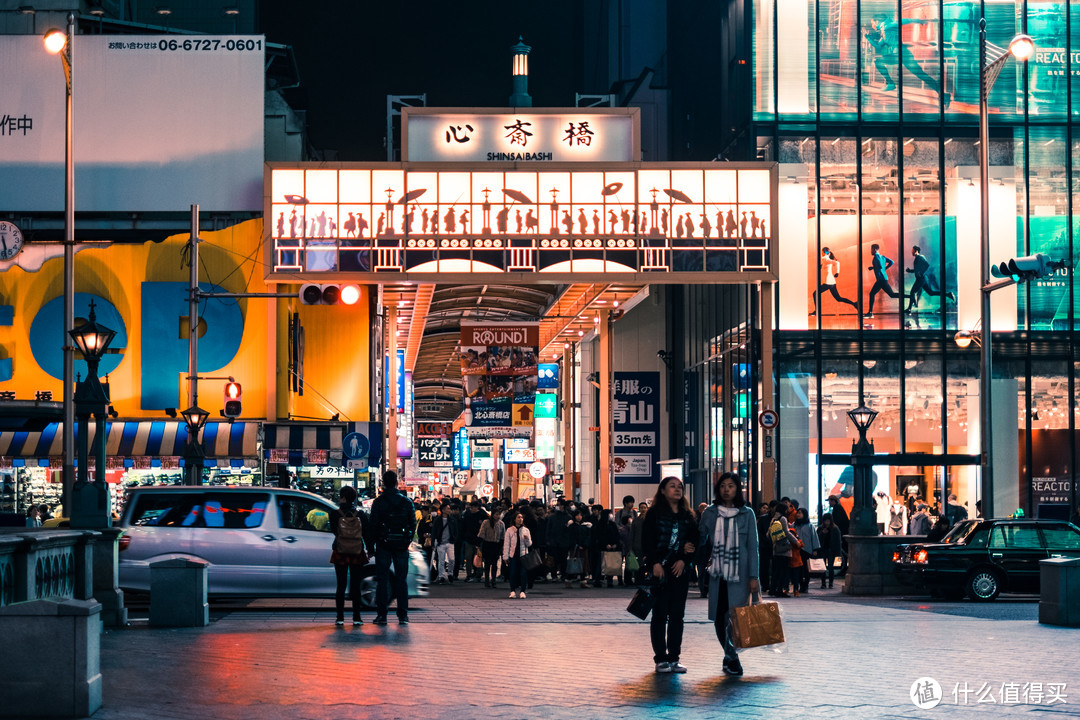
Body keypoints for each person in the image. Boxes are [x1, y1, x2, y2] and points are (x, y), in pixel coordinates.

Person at [697, 472, 759, 677]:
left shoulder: (747, 513)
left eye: (731, 486)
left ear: (737, 489)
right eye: (723, 485)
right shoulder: (710, 513)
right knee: (718, 617)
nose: (726, 489)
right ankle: (731, 656)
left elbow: (752, 547)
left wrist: (754, 576)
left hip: (740, 575)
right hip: (718, 574)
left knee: (735, 617)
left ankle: (731, 657)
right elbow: (700, 538)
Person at [641, 476, 697, 674]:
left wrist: (684, 560)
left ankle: (674, 658)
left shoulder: (688, 516)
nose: (677, 489)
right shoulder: (654, 514)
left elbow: (693, 543)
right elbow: (647, 541)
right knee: (659, 614)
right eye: (672, 486)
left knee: (677, 616)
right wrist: (654, 563)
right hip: (660, 570)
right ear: (662, 491)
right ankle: (660, 658)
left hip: (679, 571)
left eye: (679, 486)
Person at [368, 471, 415, 625]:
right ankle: (403, 615)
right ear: (396, 482)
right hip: (401, 545)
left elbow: (372, 525)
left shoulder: (378, 502)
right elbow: (412, 525)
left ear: (383, 483)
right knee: (401, 580)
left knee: (382, 580)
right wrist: (407, 540)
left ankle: (382, 615)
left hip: (383, 544)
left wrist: (371, 546)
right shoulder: (407, 502)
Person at [329, 485, 367, 626]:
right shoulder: (361, 515)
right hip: (357, 551)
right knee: (356, 585)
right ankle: (357, 617)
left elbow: (334, 531)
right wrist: (370, 549)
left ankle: (340, 617)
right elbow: (366, 533)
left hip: (340, 551)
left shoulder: (334, 514)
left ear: (343, 497)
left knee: (341, 585)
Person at [905, 245, 954, 313]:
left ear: (916, 251)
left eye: (913, 251)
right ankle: (948, 294)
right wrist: (910, 271)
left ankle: (909, 309)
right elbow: (917, 269)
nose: (912, 252)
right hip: (922, 279)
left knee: (912, 292)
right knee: (931, 292)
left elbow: (927, 265)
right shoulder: (918, 257)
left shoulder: (919, 257)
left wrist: (921, 272)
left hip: (921, 279)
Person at [810, 247, 859, 316]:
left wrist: (837, 272)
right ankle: (855, 304)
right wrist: (821, 266)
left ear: (824, 252)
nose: (821, 253)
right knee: (838, 298)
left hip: (828, 283)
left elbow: (837, 262)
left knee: (815, 294)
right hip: (832, 282)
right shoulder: (826, 260)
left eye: (822, 252)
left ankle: (816, 311)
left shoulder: (826, 259)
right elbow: (826, 264)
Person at [767, 501, 799, 597]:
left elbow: (768, 533)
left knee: (777, 570)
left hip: (776, 548)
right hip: (784, 548)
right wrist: (795, 541)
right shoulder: (783, 519)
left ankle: (773, 589)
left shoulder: (774, 519)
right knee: (783, 570)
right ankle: (779, 590)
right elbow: (787, 532)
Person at [865, 244, 901, 318]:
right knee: (892, 295)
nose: (870, 251)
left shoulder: (876, 257)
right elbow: (891, 262)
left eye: (871, 249)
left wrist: (877, 267)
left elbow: (880, 265)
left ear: (874, 249)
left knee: (872, 294)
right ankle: (910, 297)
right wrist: (880, 268)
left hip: (881, 280)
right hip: (883, 279)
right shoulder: (882, 257)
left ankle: (870, 313)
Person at [502, 510, 533, 599]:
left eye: (521, 517)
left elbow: (529, 544)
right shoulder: (510, 530)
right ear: (514, 519)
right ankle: (512, 591)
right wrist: (505, 556)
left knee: (523, 573)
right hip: (513, 555)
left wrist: (527, 539)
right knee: (512, 573)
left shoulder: (525, 530)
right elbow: (506, 544)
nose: (520, 519)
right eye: (518, 517)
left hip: (523, 555)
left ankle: (523, 591)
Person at [431, 503, 460, 584]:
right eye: (447, 508)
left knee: (452, 560)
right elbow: (434, 532)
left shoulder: (452, 519)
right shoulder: (437, 520)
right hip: (441, 543)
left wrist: (454, 538)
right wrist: (433, 543)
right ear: (443, 510)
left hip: (450, 542)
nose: (449, 510)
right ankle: (441, 576)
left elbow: (456, 530)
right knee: (441, 561)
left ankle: (450, 574)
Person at [592, 508, 621, 588]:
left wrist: (615, 544)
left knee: (610, 564)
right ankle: (597, 580)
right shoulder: (600, 525)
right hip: (603, 547)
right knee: (601, 564)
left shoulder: (613, 524)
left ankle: (609, 581)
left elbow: (617, 535)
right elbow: (600, 536)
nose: (611, 516)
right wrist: (605, 544)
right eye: (609, 514)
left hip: (612, 547)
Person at [793, 507, 820, 594]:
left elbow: (814, 538)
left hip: (807, 550)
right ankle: (800, 585)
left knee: (806, 569)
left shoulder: (809, 526)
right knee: (799, 569)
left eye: (800, 513)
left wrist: (815, 549)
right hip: (797, 550)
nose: (798, 514)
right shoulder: (794, 525)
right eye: (798, 513)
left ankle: (806, 585)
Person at [461, 500, 488, 583]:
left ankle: (478, 574)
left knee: (478, 558)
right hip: (469, 540)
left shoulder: (482, 515)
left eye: (473, 508)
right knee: (468, 558)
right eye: (470, 508)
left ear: (477, 507)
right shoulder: (467, 514)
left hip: (479, 540)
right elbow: (464, 526)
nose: (471, 509)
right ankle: (469, 574)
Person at [478, 508, 505, 588]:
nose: (498, 516)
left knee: (494, 564)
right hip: (487, 544)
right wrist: (479, 545)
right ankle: (487, 580)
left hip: (496, 545)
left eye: (499, 514)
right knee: (487, 563)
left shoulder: (501, 524)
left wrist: (501, 546)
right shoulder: (486, 522)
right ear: (492, 514)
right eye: (496, 514)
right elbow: (481, 534)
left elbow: (503, 536)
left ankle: (493, 580)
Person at [816, 513, 842, 589]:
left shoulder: (835, 529)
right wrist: (822, 534)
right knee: (823, 567)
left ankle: (830, 583)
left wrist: (838, 553)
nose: (827, 523)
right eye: (825, 521)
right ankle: (823, 583)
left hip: (831, 550)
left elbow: (838, 542)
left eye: (828, 521)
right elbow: (817, 539)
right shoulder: (821, 528)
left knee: (831, 567)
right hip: (823, 549)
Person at [827, 495, 850, 575]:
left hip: (842, 534)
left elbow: (836, 522)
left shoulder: (837, 509)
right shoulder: (838, 508)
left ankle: (841, 567)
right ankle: (842, 567)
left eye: (829, 501)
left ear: (833, 501)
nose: (829, 503)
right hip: (843, 532)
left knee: (842, 550)